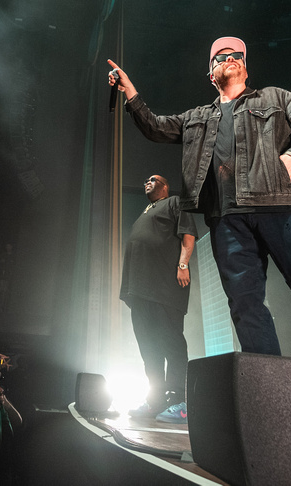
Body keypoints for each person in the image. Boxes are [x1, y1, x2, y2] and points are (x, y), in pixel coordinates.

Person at [107, 36, 291, 473]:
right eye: (219, 57)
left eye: (236, 55)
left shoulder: (275, 98)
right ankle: (282, 413)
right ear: (211, 72)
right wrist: (131, 94)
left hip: (284, 207)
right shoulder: (198, 118)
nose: (229, 60)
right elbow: (154, 125)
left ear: (245, 66)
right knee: (247, 309)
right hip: (228, 220)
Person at [120, 174, 197, 423]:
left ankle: (180, 402)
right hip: (141, 291)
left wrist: (183, 264)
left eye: (153, 179)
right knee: (148, 348)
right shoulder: (146, 212)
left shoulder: (174, 202)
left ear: (165, 186)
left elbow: (188, 235)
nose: (146, 182)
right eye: (145, 180)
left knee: (171, 343)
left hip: (165, 287)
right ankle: (155, 401)